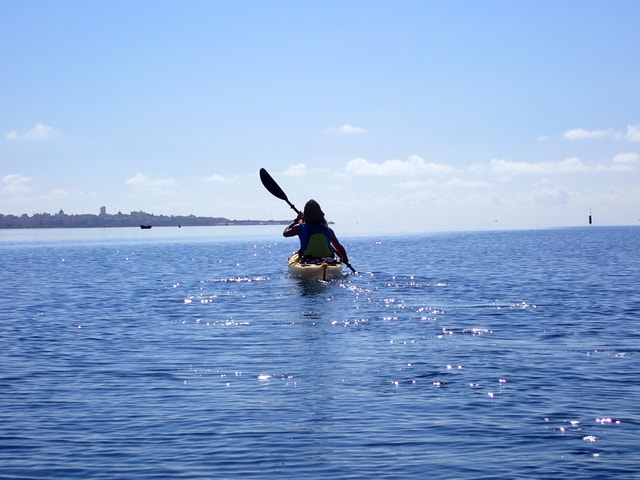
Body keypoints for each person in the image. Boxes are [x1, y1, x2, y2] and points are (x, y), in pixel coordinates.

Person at [283, 199, 349, 264]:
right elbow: (339, 247)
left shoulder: (299, 228)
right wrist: (344, 258)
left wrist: (296, 221)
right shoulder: (328, 230)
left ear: (305, 215)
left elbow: (285, 233)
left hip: (307, 260)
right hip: (328, 260)